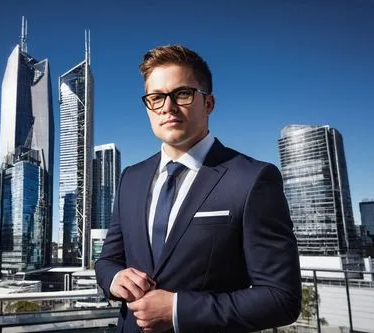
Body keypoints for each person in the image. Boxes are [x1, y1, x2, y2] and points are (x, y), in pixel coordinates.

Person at [95, 45, 302, 333]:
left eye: (182, 94)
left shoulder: (253, 179)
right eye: (156, 97)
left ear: (209, 103)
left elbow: (282, 298)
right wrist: (115, 278)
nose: (167, 107)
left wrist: (178, 310)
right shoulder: (131, 177)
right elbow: (107, 260)